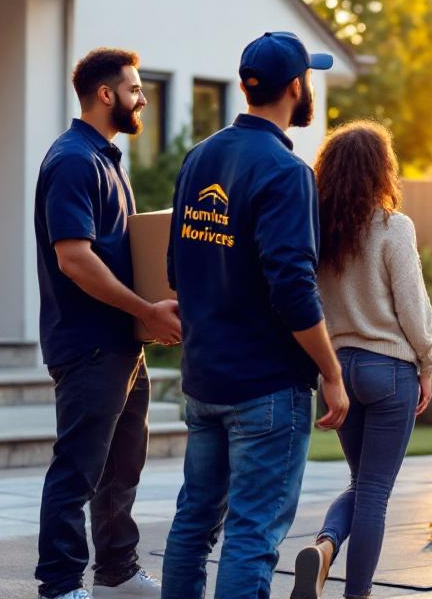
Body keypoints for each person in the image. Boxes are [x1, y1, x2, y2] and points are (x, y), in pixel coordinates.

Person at [160, 31, 350, 599]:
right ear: (295, 88)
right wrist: (332, 373)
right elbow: (293, 289)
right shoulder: (287, 172)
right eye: (308, 78)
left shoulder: (201, 157)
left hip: (204, 380)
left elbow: (176, 267)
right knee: (251, 532)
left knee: (193, 524)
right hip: (266, 389)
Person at [33, 47, 182, 599]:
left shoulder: (107, 160)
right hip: (89, 344)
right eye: (136, 89)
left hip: (123, 343)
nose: (142, 98)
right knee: (77, 471)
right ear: (106, 94)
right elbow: (74, 258)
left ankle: (116, 571)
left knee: (122, 467)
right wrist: (146, 311)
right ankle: (60, 585)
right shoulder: (73, 160)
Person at [290, 120, 432, 599]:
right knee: (374, 494)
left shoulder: (319, 231)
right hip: (390, 370)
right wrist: (428, 363)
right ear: (382, 171)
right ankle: (357, 595)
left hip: (339, 371)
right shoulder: (393, 227)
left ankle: (326, 545)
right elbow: (412, 307)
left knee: (361, 484)